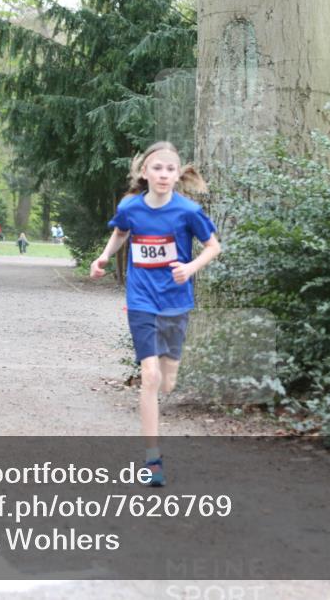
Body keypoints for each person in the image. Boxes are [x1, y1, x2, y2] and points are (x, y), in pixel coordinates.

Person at [90, 141, 221, 487]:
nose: (163, 174)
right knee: (149, 377)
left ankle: (166, 379)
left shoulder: (188, 211)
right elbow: (120, 231)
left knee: (167, 381)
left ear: (178, 175)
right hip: (141, 300)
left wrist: (190, 267)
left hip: (176, 301)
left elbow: (213, 247)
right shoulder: (131, 207)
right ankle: (153, 460)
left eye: (170, 169)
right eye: (157, 168)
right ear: (144, 173)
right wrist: (104, 257)